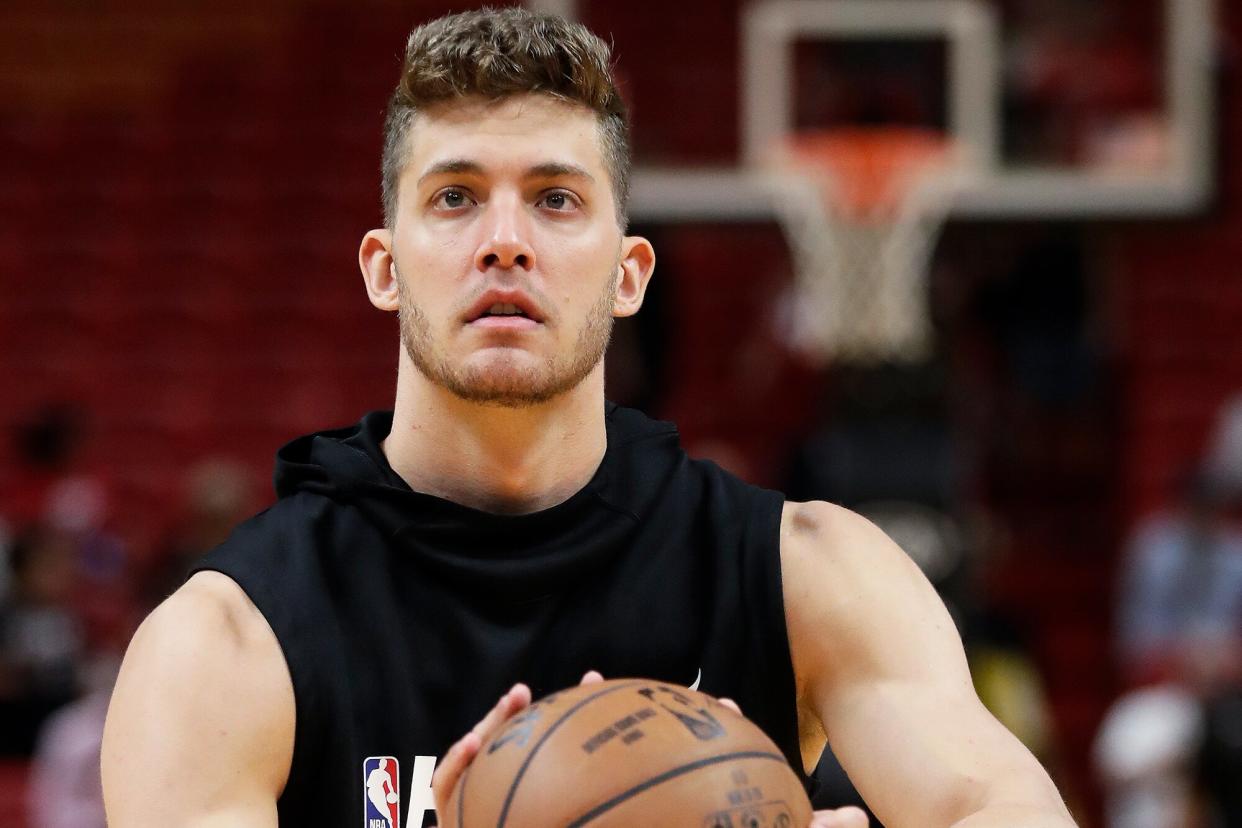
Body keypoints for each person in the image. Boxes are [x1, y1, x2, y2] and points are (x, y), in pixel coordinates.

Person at [100, 9, 1076, 828]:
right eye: (455, 198)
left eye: (557, 199)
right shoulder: (228, 642)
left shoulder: (808, 575)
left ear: (629, 274)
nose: (506, 242)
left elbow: (994, 804)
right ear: (383, 267)